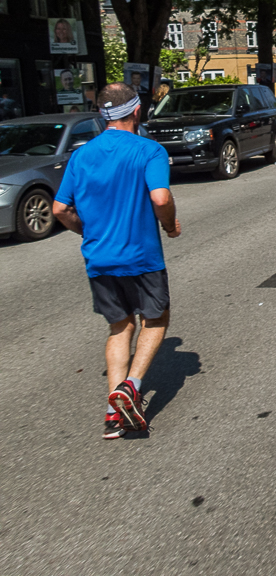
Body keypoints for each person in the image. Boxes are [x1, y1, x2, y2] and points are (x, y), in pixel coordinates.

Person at [52, 82, 182, 439]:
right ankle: (132, 387)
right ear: (137, 111)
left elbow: (60, 209)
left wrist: (86, 232)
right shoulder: (149, 150)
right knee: (155, 321)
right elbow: (160, 197)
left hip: (98, 257)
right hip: (141, 256)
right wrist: (170, 226)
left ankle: (113, 414)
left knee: (119, 327)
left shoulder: (81, 155)